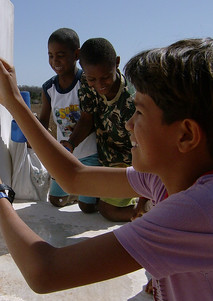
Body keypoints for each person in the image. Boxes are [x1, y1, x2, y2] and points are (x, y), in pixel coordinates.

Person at [0, 37, 213, 300]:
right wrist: (14, 102)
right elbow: (75, 177)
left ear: (186, 135)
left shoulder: (202, 210)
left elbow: (46, 271)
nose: (129, 124)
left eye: (140, 113)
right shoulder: (165, 179)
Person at [68, 37, 141, 222]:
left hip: (128, 163)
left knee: (108, 210)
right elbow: (86, 118)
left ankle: (149, 213)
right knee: (87, 205)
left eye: (106, 77)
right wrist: (69, 145)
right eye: (92, 79)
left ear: (117, 63)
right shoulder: (86, 83)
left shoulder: (131, 101)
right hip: (102, 156)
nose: (99, 85)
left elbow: (144, 148)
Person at [39, 28, 99, 212]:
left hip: (88, 154)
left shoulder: (86, 82)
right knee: (56, 202)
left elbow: (88, 120)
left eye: (60, 55)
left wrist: (71, 144)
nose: (54, 61)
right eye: (50, 55)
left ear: (76, 54)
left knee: (87, 209)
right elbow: (43, 121)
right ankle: (74, 192)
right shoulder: (49, 88)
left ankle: (93, 195)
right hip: (63, 155)